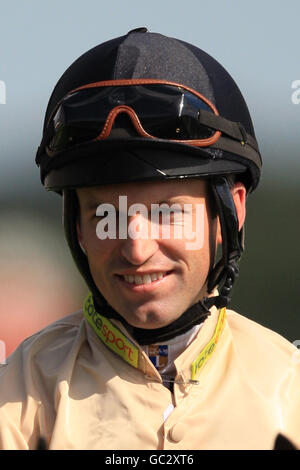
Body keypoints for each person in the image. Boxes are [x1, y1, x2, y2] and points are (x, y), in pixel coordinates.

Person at [0, 28, 299, 450]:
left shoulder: (291, 392)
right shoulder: (15, 399)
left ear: (230, 212)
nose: (137, 249)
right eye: (108, 216)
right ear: (79, 228)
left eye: (169, 213)